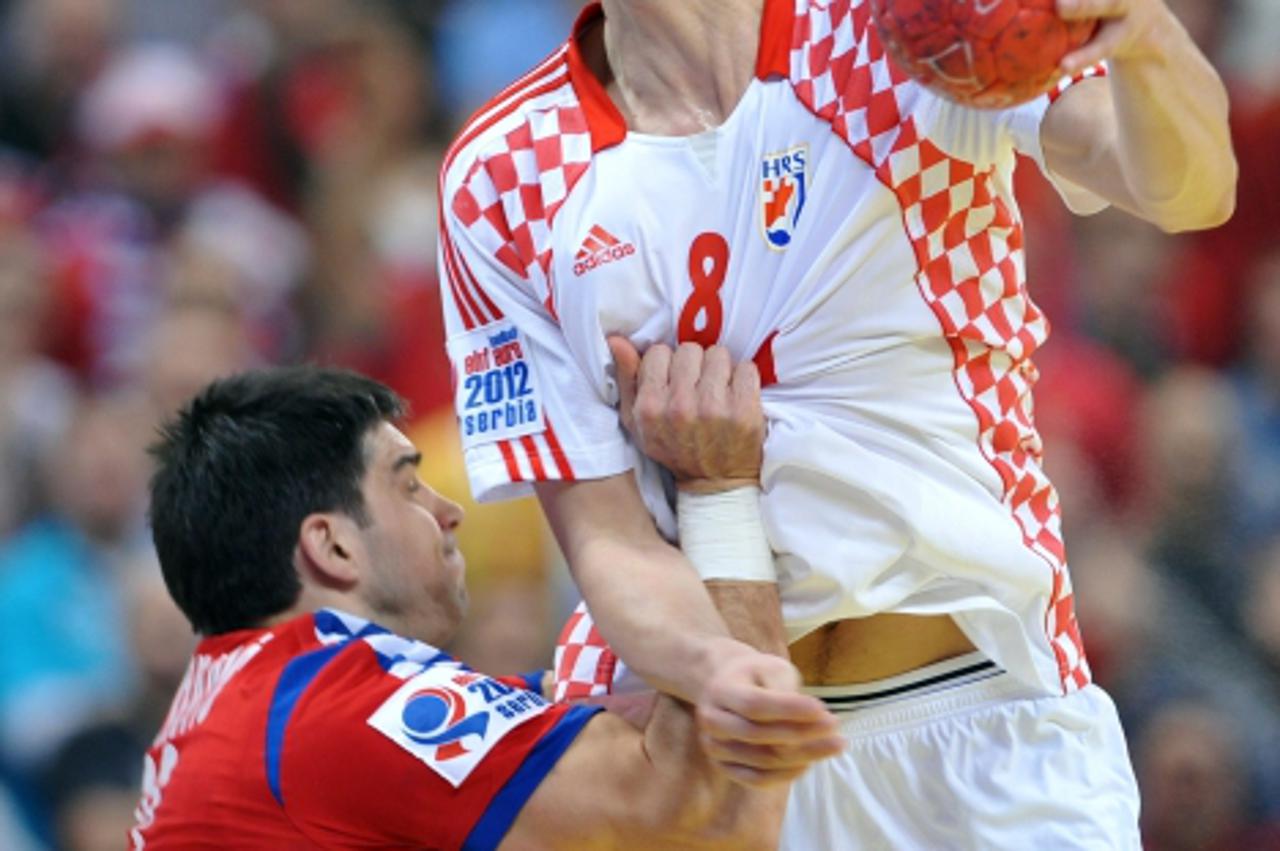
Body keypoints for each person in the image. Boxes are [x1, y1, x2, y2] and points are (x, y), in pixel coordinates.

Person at [436, 0, 1236, 846]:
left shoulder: (904, 27)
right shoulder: (503, 172)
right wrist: (728, 673)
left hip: (988, 722)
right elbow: (606, 540)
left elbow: (1189, 189)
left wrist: (1144, 31)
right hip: (705, 739)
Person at [128, 364, 841, 850]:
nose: (447, 510)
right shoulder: (329, 701)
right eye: (408, 487)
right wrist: (717, 490)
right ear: (332, 546)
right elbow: (713, 815)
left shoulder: (245, 701)